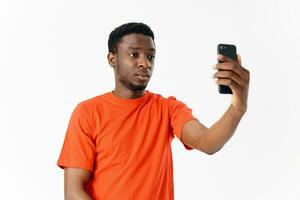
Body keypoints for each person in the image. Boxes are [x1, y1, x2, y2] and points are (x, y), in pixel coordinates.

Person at [57, 22, 250, 200]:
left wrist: (238, 107)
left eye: (151, 56)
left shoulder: (168, 109)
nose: (146, 63)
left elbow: (207, 142)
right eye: (134, 55)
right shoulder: (88, 112)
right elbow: (74, 193)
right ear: (112, 59)